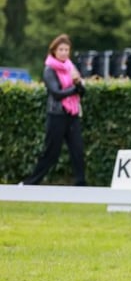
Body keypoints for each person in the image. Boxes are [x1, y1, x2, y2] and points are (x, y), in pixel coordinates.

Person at [21, 34, 87, 186]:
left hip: (72, 114)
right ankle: (31, 182)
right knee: (51, 153)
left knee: (77, 150)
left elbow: (82, 92)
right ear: (54, 51)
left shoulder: (71, 67)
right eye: (61, 49)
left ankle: (81, 183)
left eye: (66, 49)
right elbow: (56, 93)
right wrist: (74, 88)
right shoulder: (49, 70)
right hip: (56, 115)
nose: (64, 52)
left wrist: (79, 87)